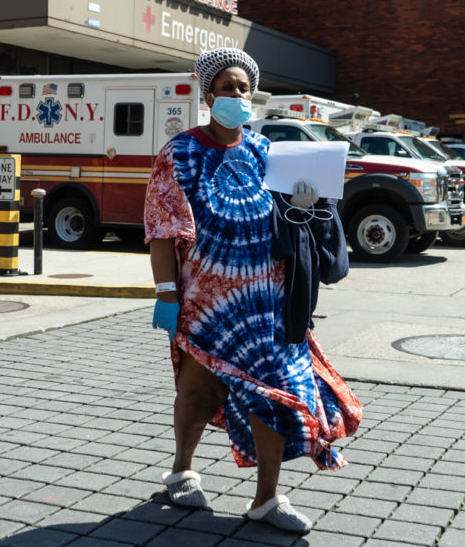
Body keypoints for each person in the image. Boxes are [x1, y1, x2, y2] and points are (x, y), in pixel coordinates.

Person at [143, 47, 362, 534]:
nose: (238, 95)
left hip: (269, 303)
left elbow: (293, 222)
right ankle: (182, 468)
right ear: (208, 94)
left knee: (276, 397)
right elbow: (161, 231)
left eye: (244, 88)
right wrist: (165, 293)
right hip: (207, 302)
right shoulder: (179, 152)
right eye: (228, 87)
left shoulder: (269, 153)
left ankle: (266, 498)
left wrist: (306, 203)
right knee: (198, 391)